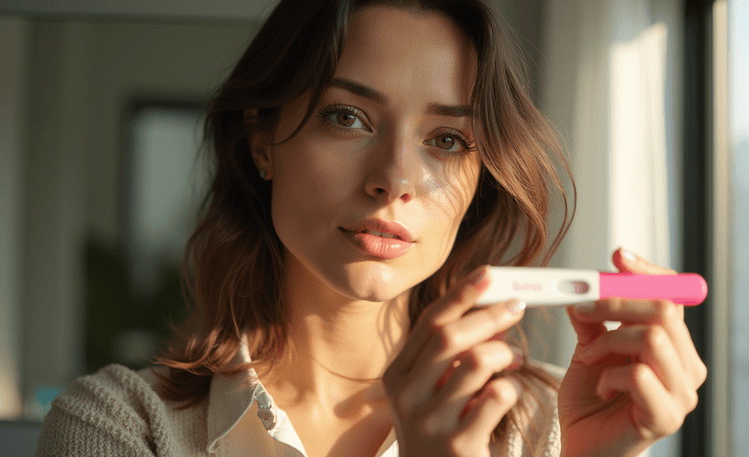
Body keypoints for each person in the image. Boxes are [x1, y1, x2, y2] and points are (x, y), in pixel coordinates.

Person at [35, 0, 706, 456]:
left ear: (479, 180)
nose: (395, 178)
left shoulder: (549, 424)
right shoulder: (118, 426)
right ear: (263, 140)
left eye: (446, 138)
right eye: (348, 117)